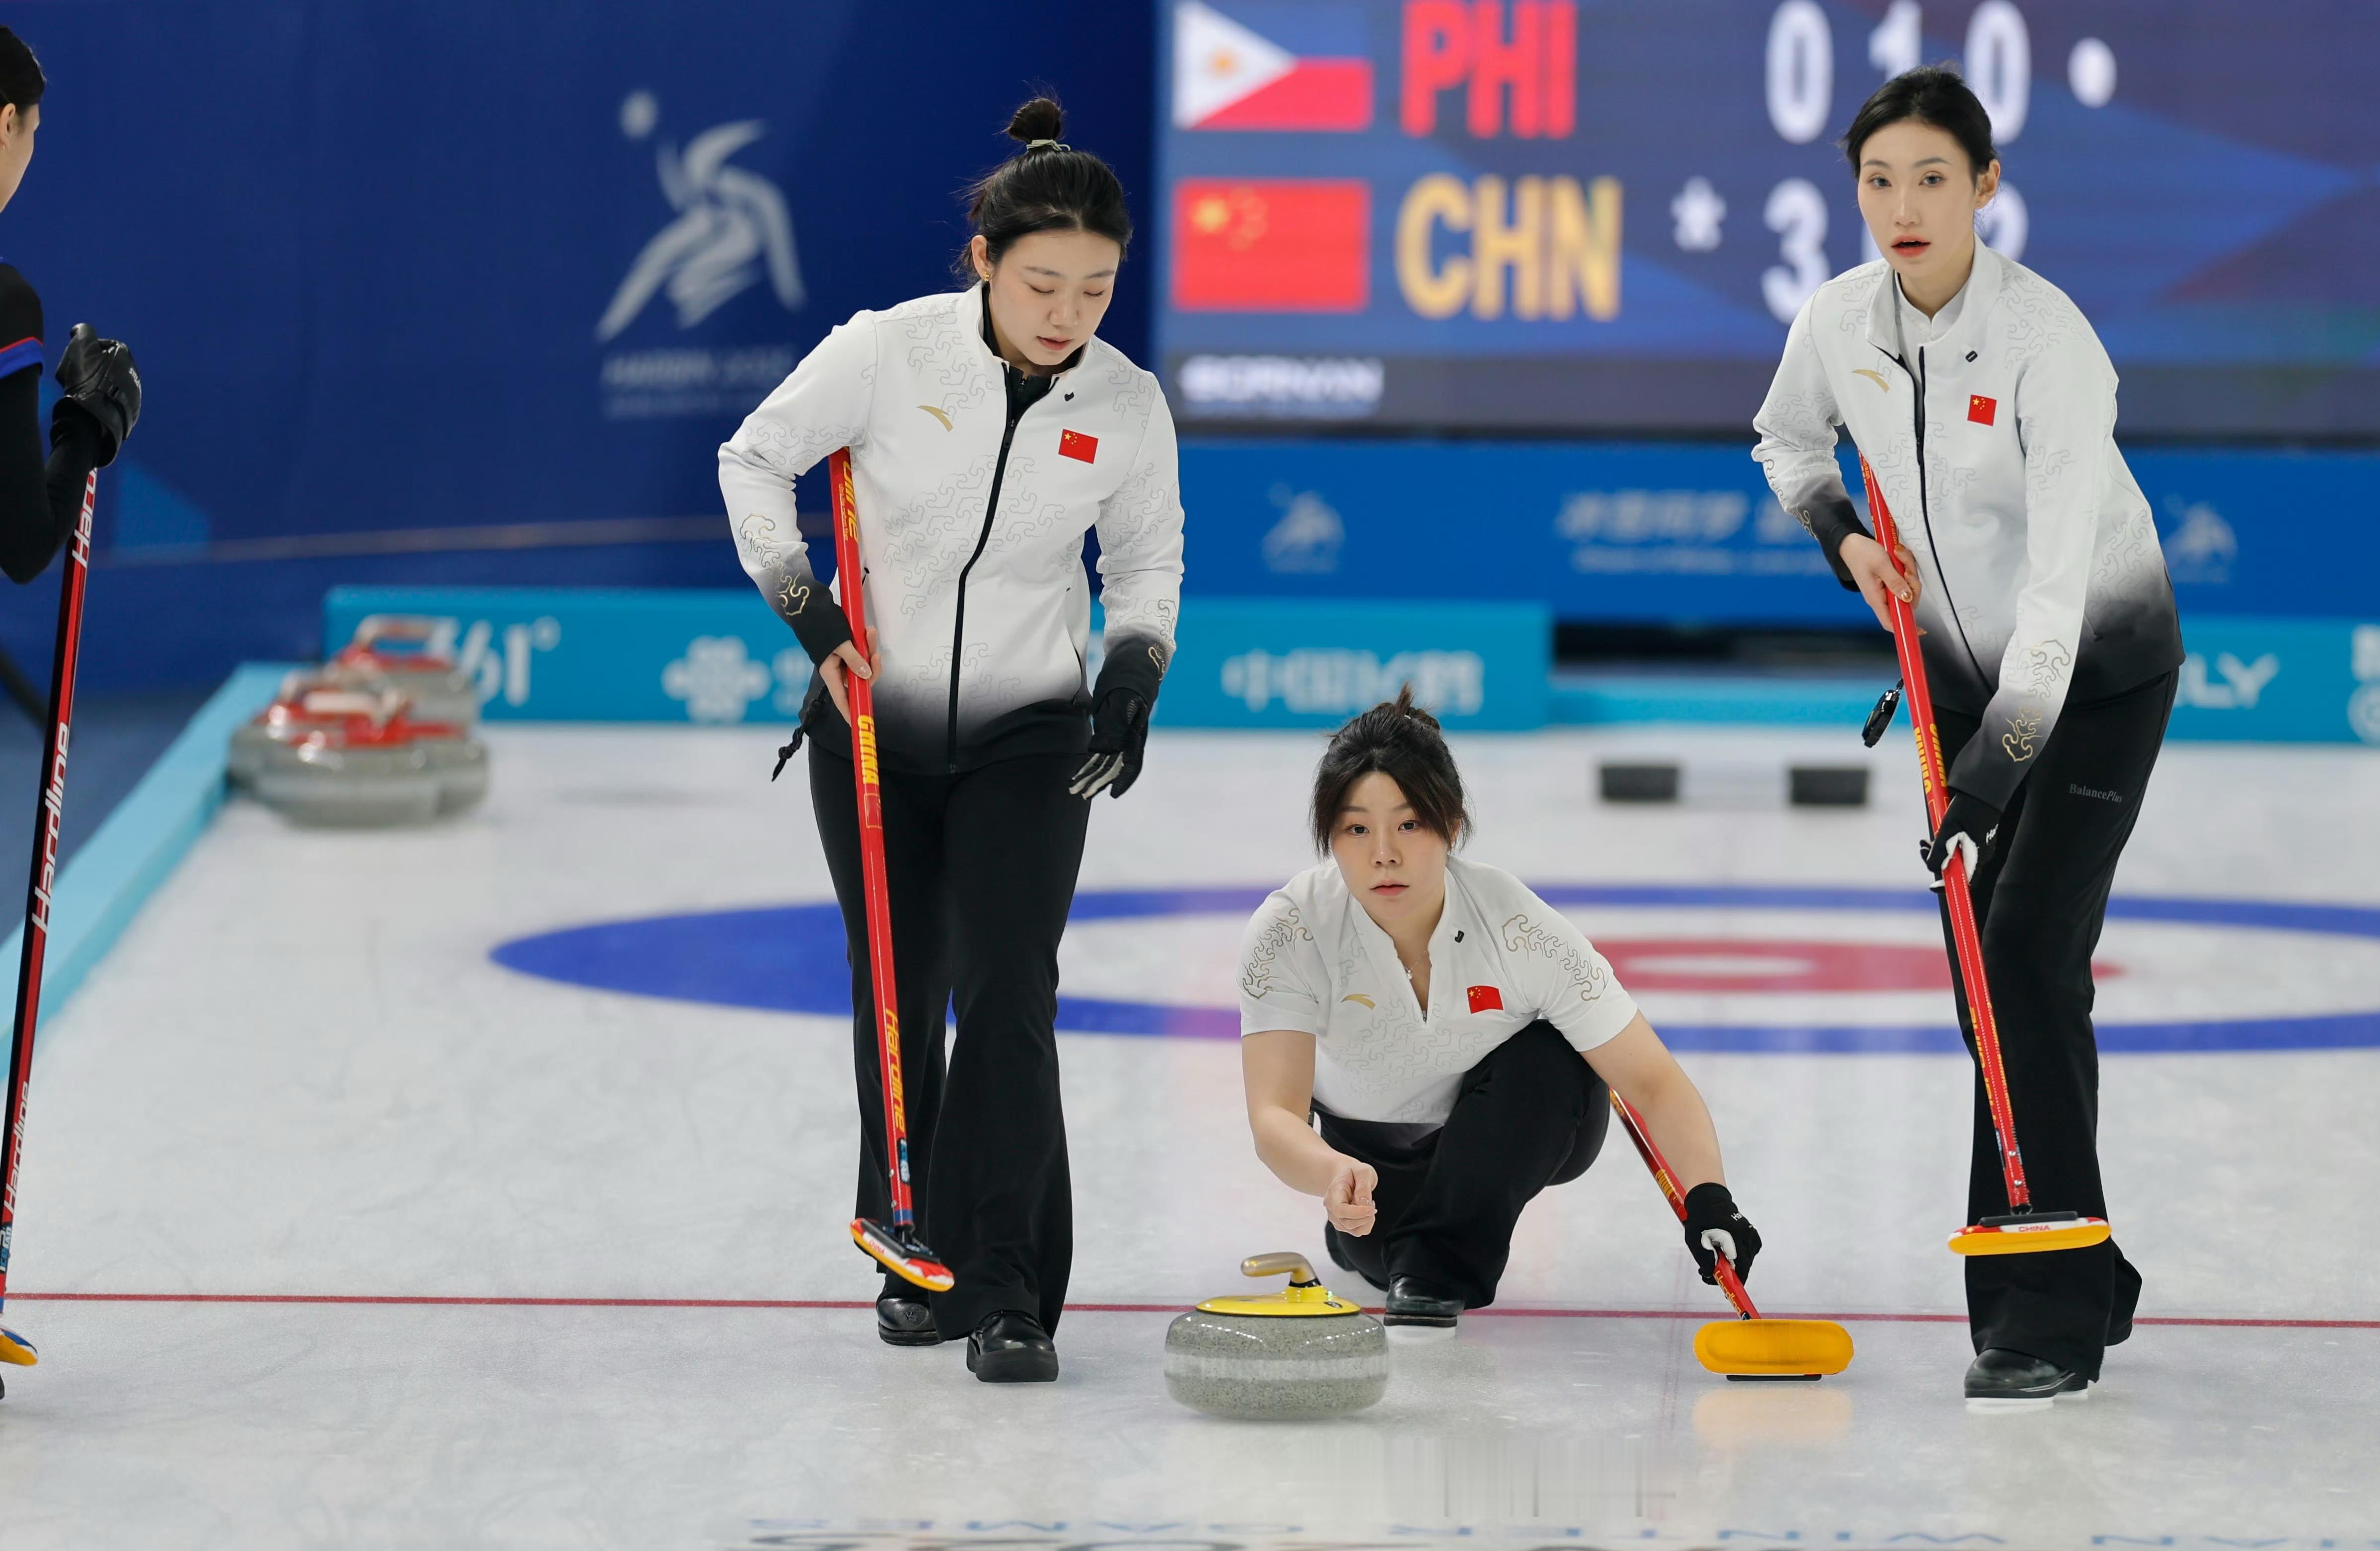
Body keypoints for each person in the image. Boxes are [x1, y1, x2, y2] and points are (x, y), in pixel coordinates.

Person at [716, 96, 1182, 1384]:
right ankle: (911, 1252)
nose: (1067, 313)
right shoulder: (887, 354)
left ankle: (1013, 1283)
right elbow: (753, 460)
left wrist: (1135, 669)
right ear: (983, 258)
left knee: (1012, 994)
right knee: (899, 995)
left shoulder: (1127, 402)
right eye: (1043, 282)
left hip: (1033, 731)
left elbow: (1146, 562)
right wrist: (806, 610)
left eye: (1095, 288)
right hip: (873, 722)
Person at [1750, 65, 2181, 1407]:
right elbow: (1783, 442)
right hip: (1947, 672)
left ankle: (2039, 1312)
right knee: (1998, 990)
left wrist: (1993, 775)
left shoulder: (2052, 342)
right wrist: (1845, 540)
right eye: (1878, 180)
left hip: (2097, 671)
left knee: (2021, 952)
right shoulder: (1838, 320)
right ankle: (2086, 1268)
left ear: (1985, 186)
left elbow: (2055, 596)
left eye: (1932, 177)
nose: (1902, 205)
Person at [1234, 693, 1763, 1331]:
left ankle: (1436, 1262)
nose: (1384, 854)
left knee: (1552, 1052)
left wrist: (1710, 1197)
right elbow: (1274, 1117)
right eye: (1356, 829)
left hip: (1516, 1122)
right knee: (1377, 1253)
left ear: (1451, 824)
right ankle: (1384, 1244)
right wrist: (1335, 1172)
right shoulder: (1290, 930)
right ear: (1330, 836)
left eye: (1410, 824)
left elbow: (1651, 1080)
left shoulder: (1517, 926)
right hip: (1372, 1156)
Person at [0, 26, 139, 583]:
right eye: (34, 131)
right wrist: (88, 420)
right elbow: (25, 544)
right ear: (7, 124)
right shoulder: (7, 305)